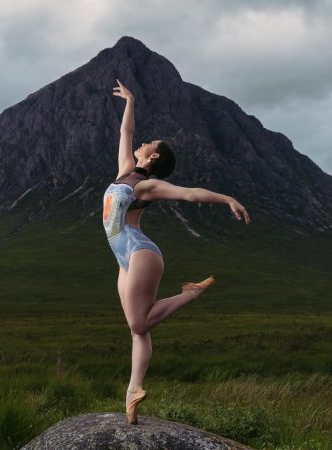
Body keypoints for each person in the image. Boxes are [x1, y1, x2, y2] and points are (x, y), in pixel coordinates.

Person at [103, 79, 251, 425]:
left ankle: (189, 294)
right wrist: (131, 101)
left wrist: (227, 198)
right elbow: (126, 133)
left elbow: (189, 194)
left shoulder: (147, 185)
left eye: (149, 144)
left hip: (141, 253)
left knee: (140, 322)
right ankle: (133, 392)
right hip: (123, 259)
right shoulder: (126, 171)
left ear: (153, 157)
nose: (142, 142)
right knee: (137, 330)